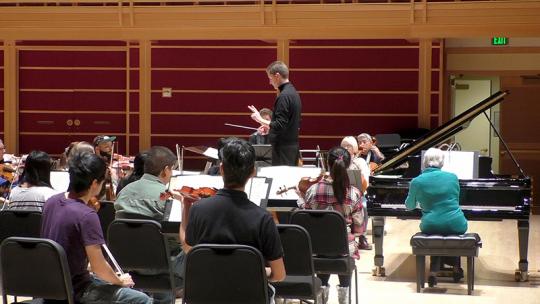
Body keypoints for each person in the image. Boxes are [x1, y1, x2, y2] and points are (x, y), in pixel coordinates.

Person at [180, 138, 286, 303]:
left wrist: (186, 208)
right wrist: (258, 271)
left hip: (206, 297)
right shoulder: (263, 218)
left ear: (221, 169)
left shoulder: (199, 209)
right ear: (253, 172)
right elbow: (279, 275)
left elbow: (188, 248)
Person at [41, 152, 151, 304]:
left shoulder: (52, 202)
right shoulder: (86, 215)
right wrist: (120, 281)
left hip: (48, 288)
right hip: (76, 291)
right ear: (94, 183)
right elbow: (98, 267)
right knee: (141, 299)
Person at [114, 145, 183, 303]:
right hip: (160, 266)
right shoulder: (167, 196)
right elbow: (173, 240)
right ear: (165, 170)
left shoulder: (123, 192)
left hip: (127, 263)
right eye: (172, 170)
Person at [298, 146, 364, 304]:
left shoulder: (312, 191)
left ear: (327, 164)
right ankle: (345, 296)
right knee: (343, 248)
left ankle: (322, 296)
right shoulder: (353, 193)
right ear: (347, 166)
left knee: (324, 249)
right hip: (343, 249)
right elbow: (359, 229)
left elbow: (306, 220)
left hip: (316, 250)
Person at [405, 147, 467, 287]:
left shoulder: (417, 181)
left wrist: (420, 202)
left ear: (425, 162)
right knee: (449, 229)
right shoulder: (452, 177)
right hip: (456, 222)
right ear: (442, 162)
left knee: (436, 230)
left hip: (430, 224)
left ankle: (433, 272)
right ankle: (456, 268)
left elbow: (409, 206)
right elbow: (455, 201)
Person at [249, 61, 302, 166]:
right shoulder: (293, 93)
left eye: (270, 78)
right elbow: (288, 125)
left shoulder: (284, 96)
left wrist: (259, 119)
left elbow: (279, 125)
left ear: (277, 76)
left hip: (283, 150)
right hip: (291, 148)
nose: (270, 82)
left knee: (282, 181)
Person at [340, 136, 372, 250]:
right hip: (341, 192)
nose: (346, 148)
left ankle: (362, 237)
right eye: (344, 146)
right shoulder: (338, 161)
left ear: (354, 148)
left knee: (363, 206)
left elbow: (365, 182)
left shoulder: (360, 162)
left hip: (358, 193)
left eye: (349, 146)